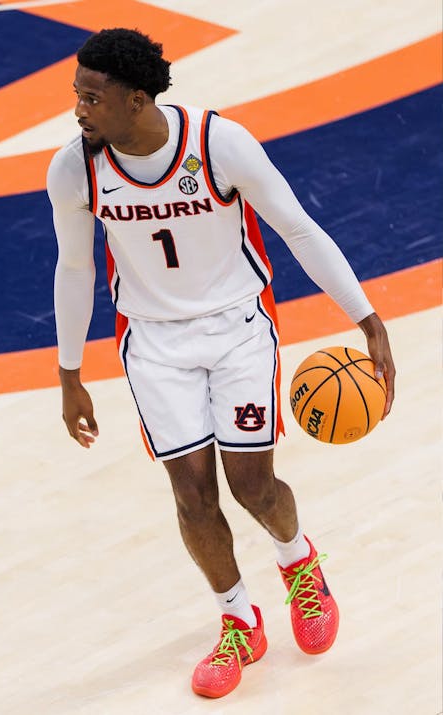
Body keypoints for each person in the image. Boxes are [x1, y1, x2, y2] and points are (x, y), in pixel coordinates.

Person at [47, 28, 396, 699]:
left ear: (137, 99)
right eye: (76, 95)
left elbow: (297, 226)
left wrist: (366, 317)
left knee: (252, 485)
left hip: (238, 327)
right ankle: (239, 618)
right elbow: (73, 264)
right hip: (153, 343)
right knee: (192, 494)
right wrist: (69, 374)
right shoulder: (74, 168)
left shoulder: (218, 144)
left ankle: (299, 563)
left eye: (92, 97)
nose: (79, 109)